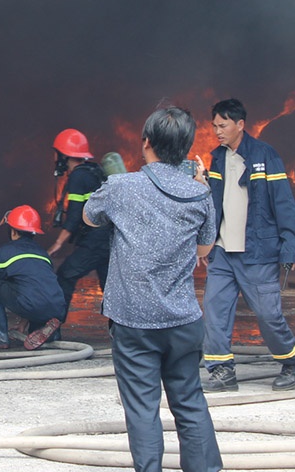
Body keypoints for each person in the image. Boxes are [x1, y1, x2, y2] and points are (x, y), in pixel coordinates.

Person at [83, 106, 222, 472]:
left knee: (143, 410)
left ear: (146, 142)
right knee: (189, 402)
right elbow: (204, 250)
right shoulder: (200, 194)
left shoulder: (121, 187)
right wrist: (200, 186)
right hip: (183, 321)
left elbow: (88, 217)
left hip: (134, 324)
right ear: (187, 148)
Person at [197, 98, 295, 392]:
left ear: (240, 125)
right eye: (214, 126)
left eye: (223, 125)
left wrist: (290, 247)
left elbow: (283, 203)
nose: (217, 131)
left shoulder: (265, 155)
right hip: (223, 252)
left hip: (258, 252)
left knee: (268, 315)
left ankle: (293, 360)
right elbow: (214, 203)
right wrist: (207, 241)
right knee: (215, 311)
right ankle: (222, 370)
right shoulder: (217, 158)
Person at [0, 205, 65, 350]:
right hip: (57, 308)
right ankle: (51, 333)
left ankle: (0, 338)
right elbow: (33, 287)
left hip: (32, 304)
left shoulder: (6, 251)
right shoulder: (42, 254)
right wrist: (22, 325)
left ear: (13, 231)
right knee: (34, 303)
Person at [46, 128, 110, 320]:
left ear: (64, 156)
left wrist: (57, 244)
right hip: (108, 239)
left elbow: (74, 216)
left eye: (57, 153)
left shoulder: (78, 176)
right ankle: (125, 330)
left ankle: (53, 327)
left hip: (95, 242)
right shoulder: (94, 171)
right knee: (110, 288)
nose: (55, 158)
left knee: (66, 274)